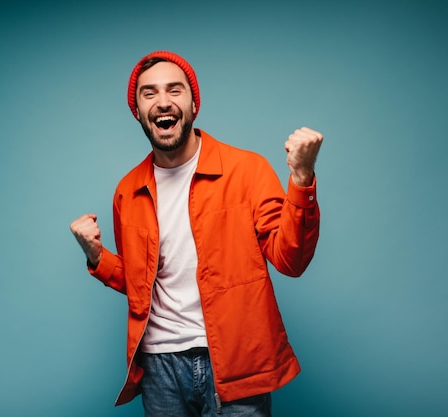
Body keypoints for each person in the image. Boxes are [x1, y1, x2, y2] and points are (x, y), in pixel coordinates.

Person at [70, 50, 323, 417]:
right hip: (160, 368)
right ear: (138, 112)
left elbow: (291, 260)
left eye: (174, 90)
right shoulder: (128, 190)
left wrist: (301, 180)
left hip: (236, 364)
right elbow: (141, 282)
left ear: (192, 104)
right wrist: (96, 256)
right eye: (149, 93)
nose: (162, 102)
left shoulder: (247, 170)